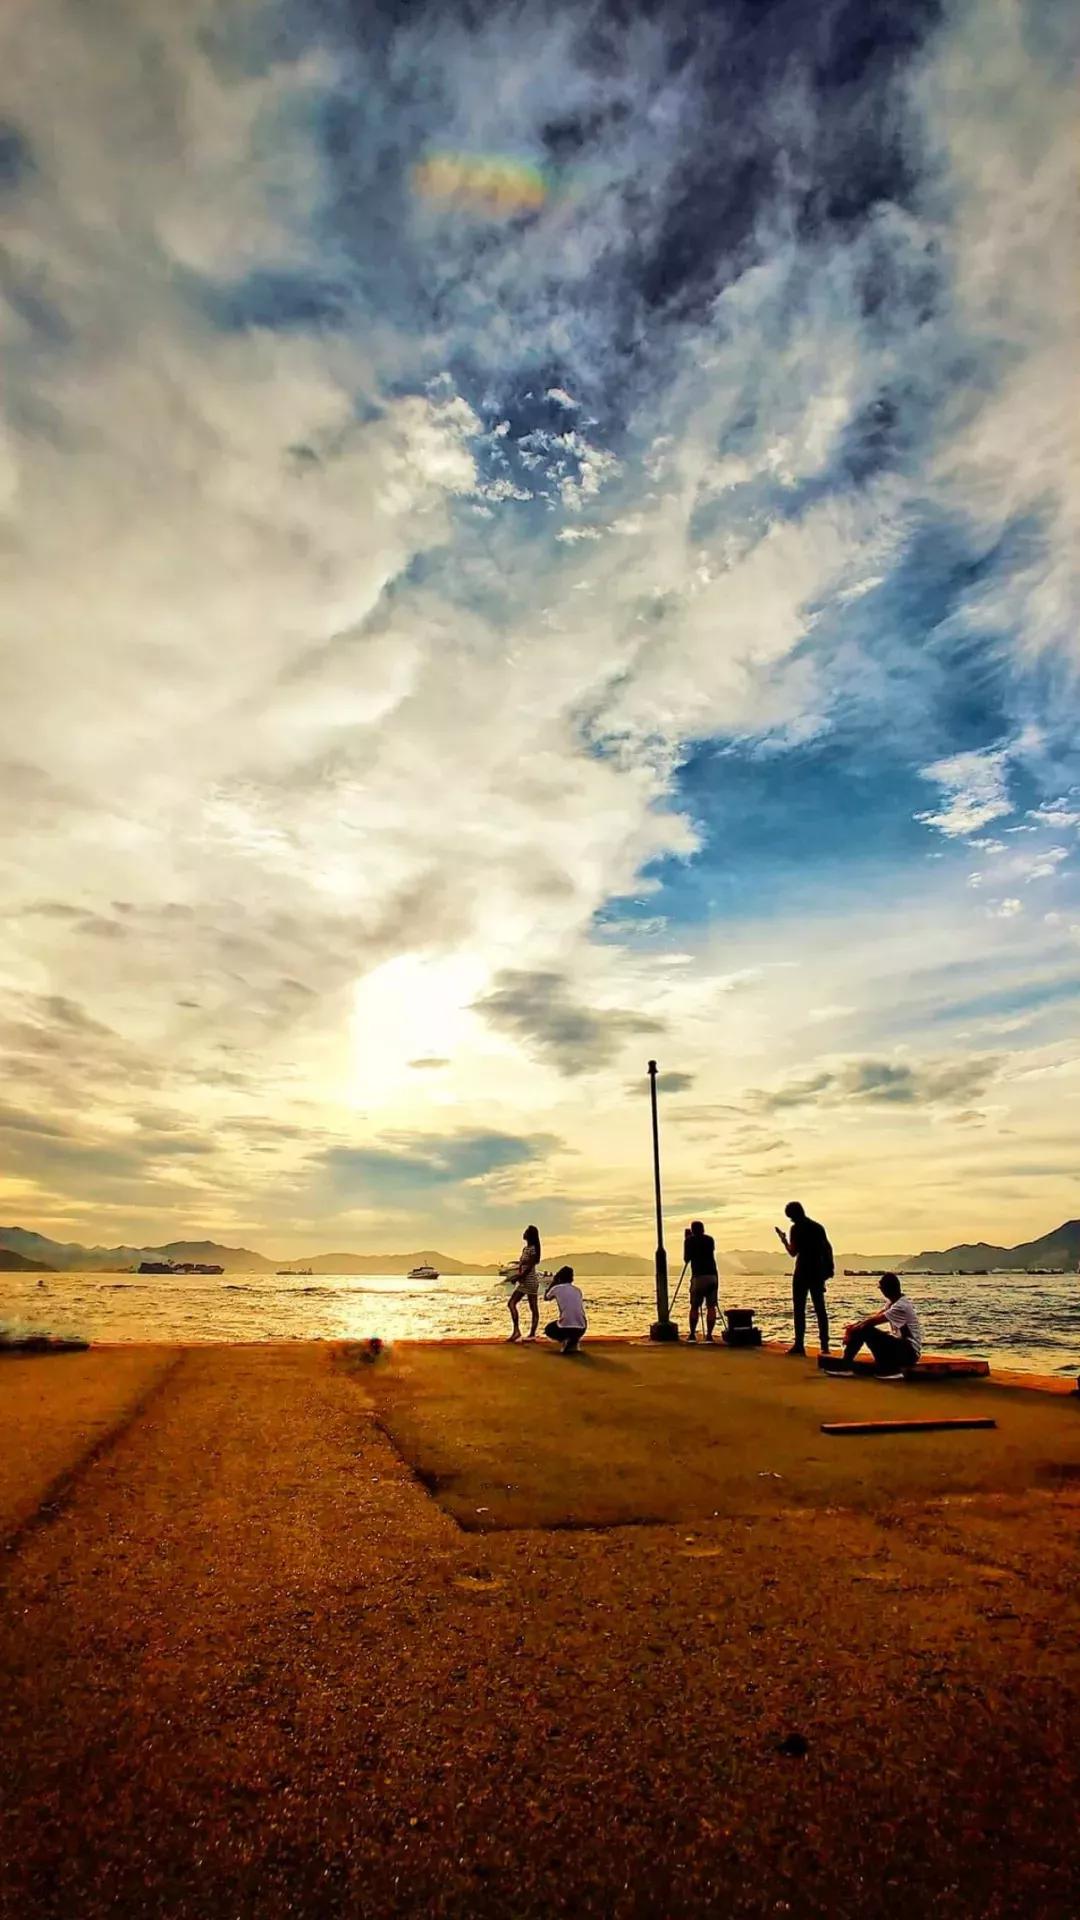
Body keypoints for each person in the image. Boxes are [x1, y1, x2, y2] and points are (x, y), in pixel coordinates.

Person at [836, 1274, 922, 1378]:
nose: (881, 1291)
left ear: (887, 1289)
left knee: (866, 1329)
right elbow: (873, 1317)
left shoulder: (901, 1306)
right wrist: (853, 1327)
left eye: (882, 1288)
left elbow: (872, 1322)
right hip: (902, 1349)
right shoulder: (892, 1303)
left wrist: (850, 1331)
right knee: (864, 1327)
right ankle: (847, 1364)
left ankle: (846, 1365)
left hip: (909, 1353)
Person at [775, 1200, 833, 1356]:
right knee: (820, 1308)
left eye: (790, 1217)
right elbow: (828, 1248)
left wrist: (784, 1240)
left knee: (799, 1309)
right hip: (817, 1271)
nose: (791, 1220)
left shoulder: (796, 1229)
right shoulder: (817, 1227)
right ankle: (825, 1346)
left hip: (802, 1271)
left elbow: (793, 1252)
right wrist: (829, 1268)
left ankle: (799, 1345)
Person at [683, 1220, 719, 1343]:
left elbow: (687, 1259)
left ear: (692, 1230)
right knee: (711, 1307)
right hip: (712, 1275)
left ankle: (692, 1334)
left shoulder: (689, 1241)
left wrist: (687, 1239)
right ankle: (709, 1335)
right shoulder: (710, 1239)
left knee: (694, 1307)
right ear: (703, 1229)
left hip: (698, 1276)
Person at [506, 1225, 542, 1343]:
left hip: (530, 1281)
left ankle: (531, 1333)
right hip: (524, 1281)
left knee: (532, 1307)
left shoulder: (533, 1249)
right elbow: (523, 1266)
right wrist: (518, 1275)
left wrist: (517, 1277)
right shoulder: (525, 1249)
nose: (524, 1233)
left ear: (530, 1235)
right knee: (512, 1304)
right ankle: (517, 1331)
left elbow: (529, 1268)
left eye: (526, 1231)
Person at [543, 1265, 587, 1355]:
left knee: (548, 1329)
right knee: (576, 1320)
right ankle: (574, 1341)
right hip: (582, 1327)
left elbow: (546, 1297)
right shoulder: (577, 1290)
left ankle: (566, 1340)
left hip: (565, 1327)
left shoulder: (556, 1288)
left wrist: (553, 1283)